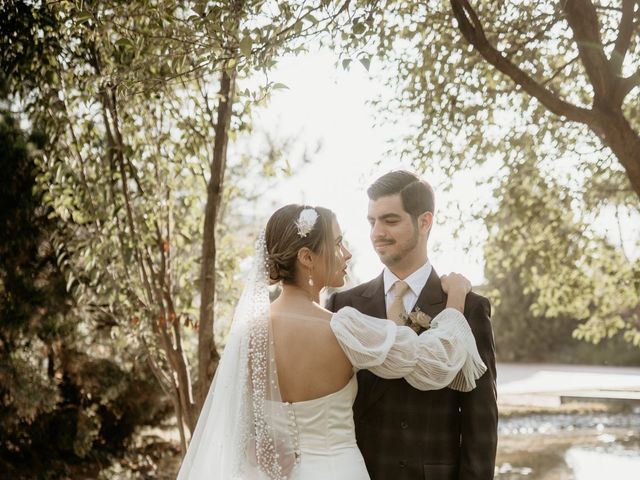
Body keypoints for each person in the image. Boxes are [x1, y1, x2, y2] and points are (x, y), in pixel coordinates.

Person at [177, 203, 486, 480]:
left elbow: (231, 423)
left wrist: (257, 449)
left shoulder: (248, 334)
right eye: (338, 243)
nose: (348, 253)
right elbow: (439, 359)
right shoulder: (342, 328)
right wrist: (456, 297)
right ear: (307, 257)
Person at [327, 171, 498, 480]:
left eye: (390, 220)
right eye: (371, 221)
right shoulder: (344, 306)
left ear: (425, 222)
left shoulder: (469, 307)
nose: (377, 232)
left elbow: (480, 423)